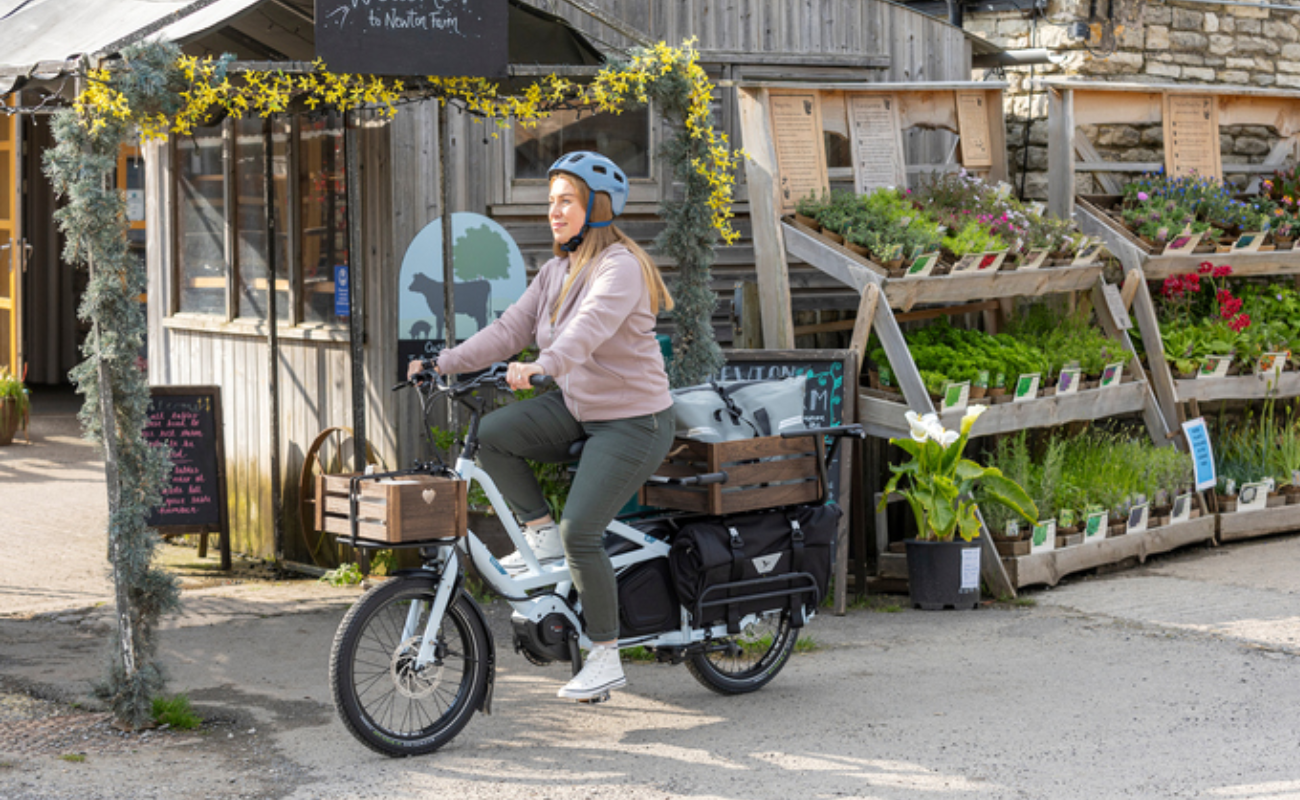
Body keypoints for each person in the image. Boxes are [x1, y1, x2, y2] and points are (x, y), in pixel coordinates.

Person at [406, 151, 676, 702]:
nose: (554, 212)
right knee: (493, 437)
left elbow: (588, 329)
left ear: (596, 207)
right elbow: (509, 329)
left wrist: (544, 366)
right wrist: (443, 362)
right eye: (550, 201)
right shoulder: (556, 270)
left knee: (584, 532)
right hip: (580, 408)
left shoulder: (620, 266)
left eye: (566, 201)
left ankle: (605, 654)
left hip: (634, 420)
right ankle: (539, 534)